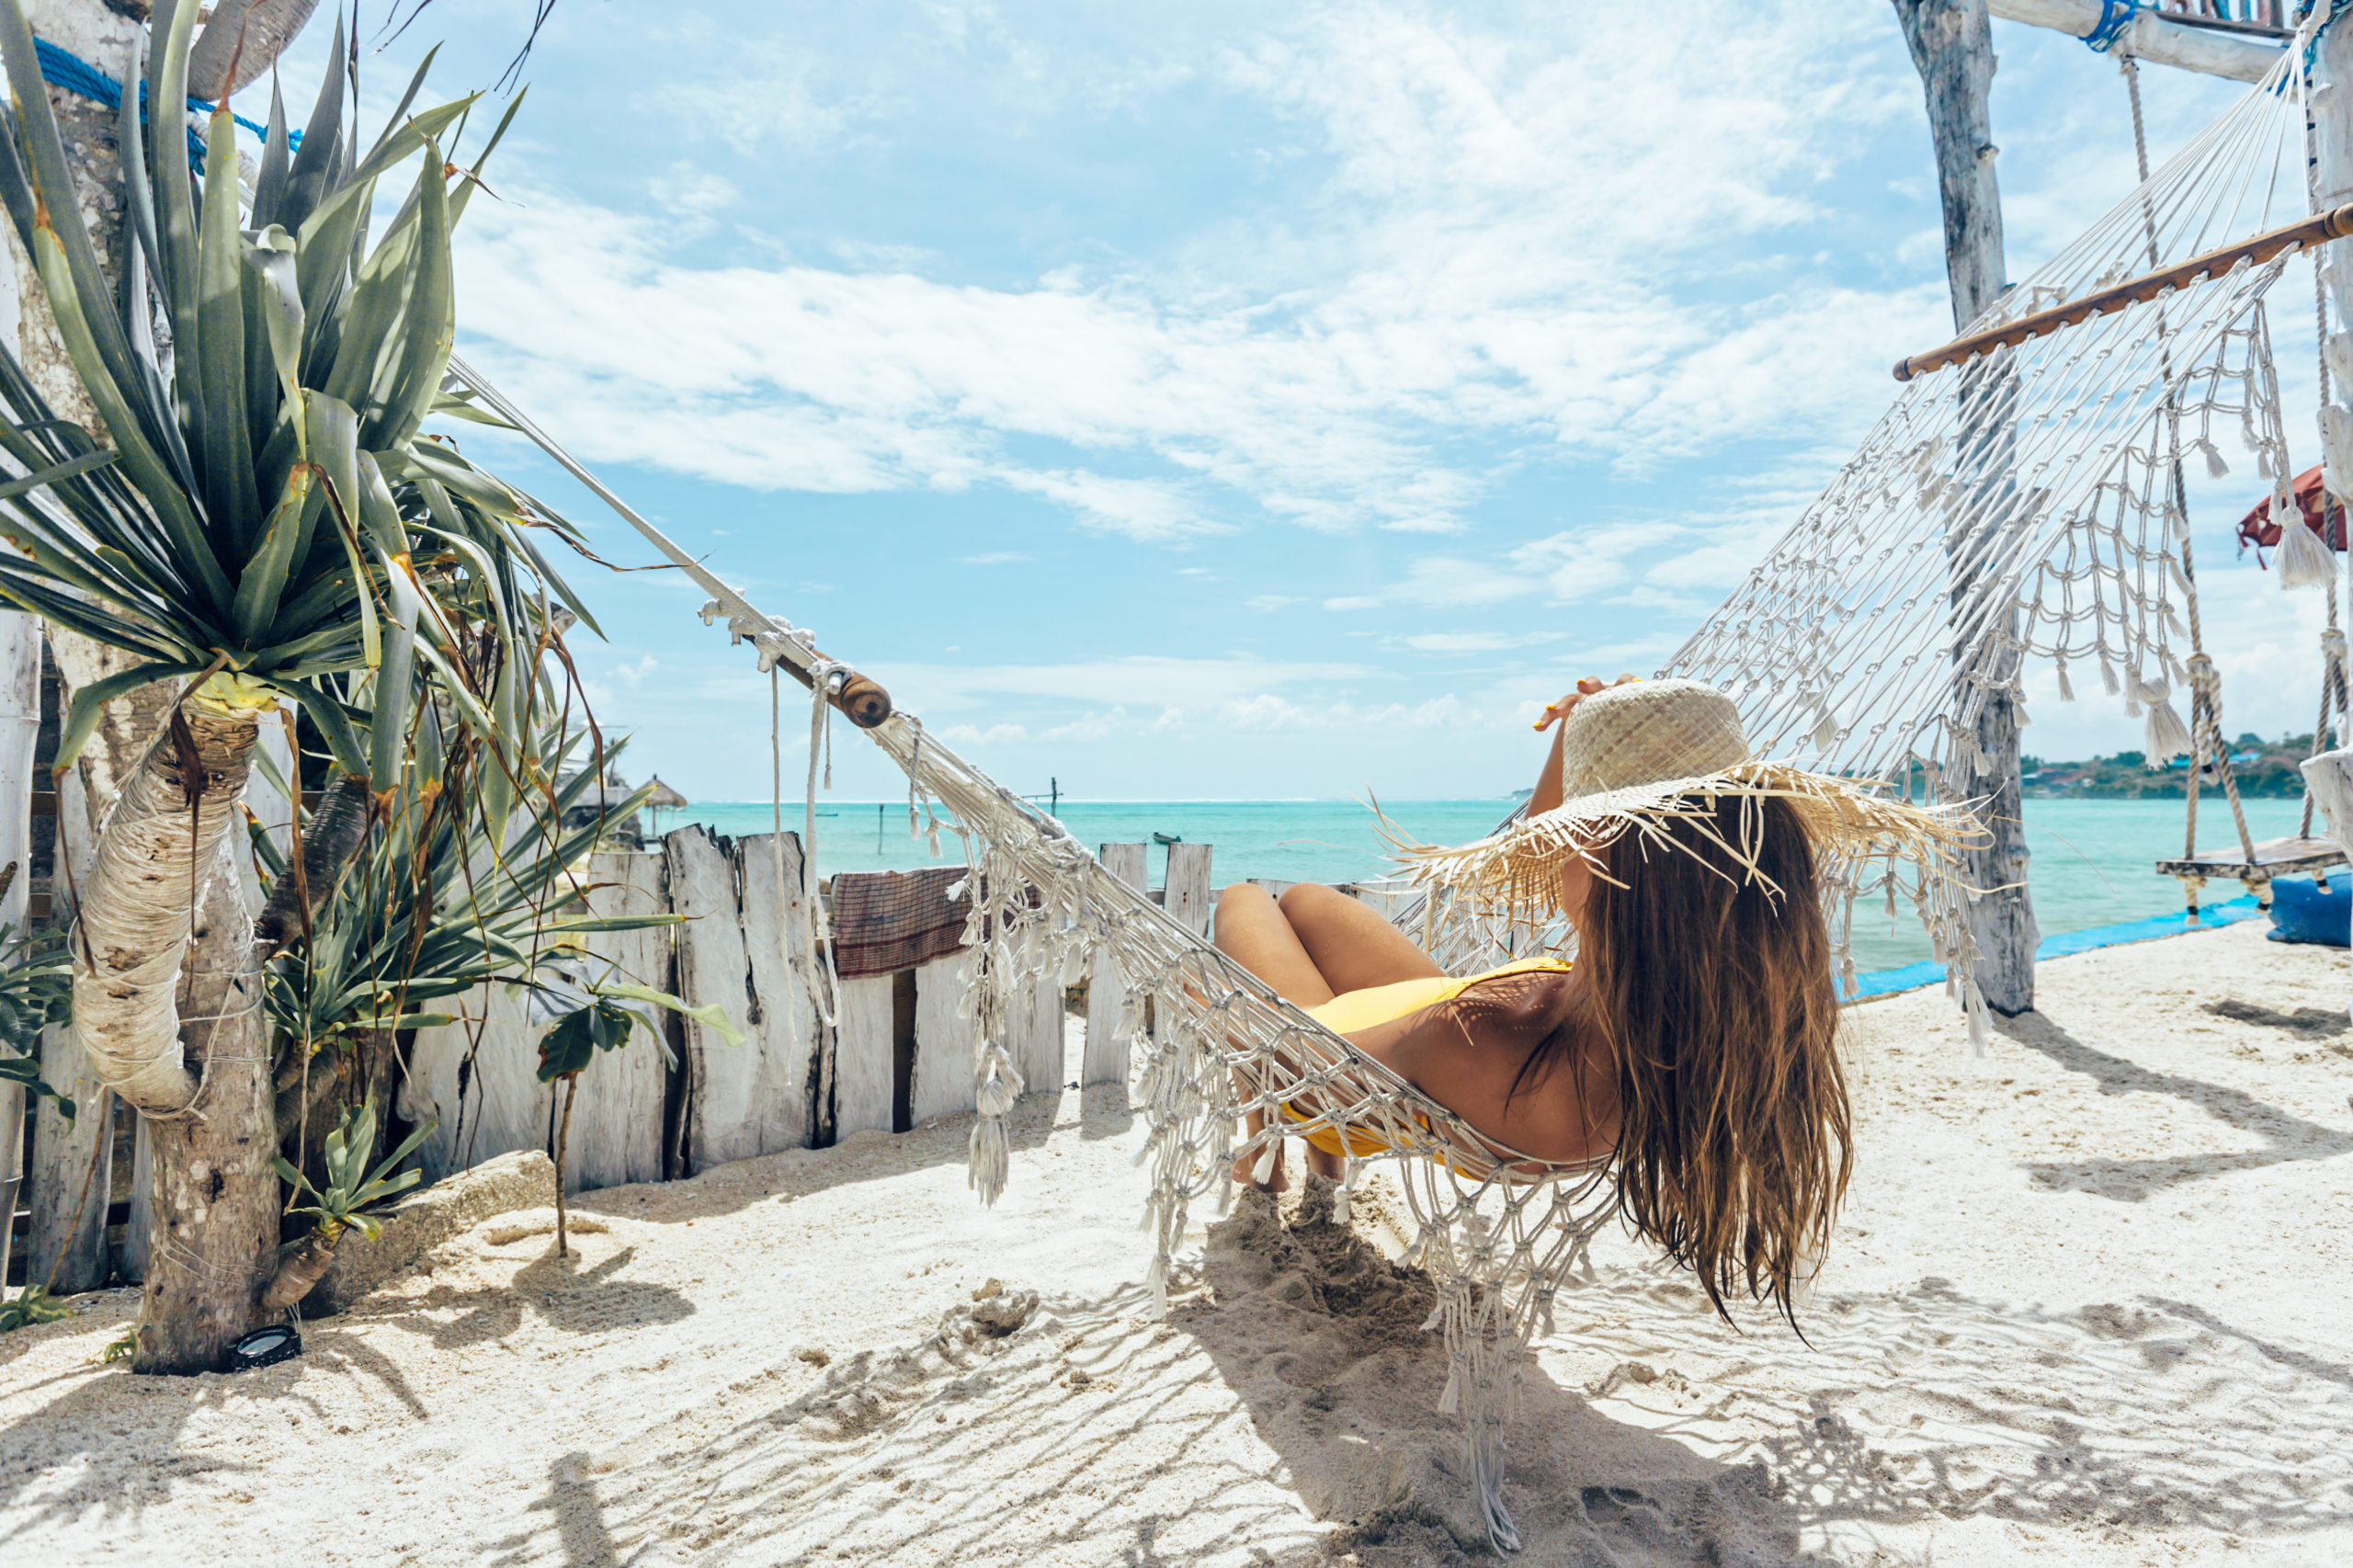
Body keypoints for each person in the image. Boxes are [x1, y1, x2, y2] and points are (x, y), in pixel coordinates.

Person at [1212, 675, 1973, 1321]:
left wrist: (1217, 1011)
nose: (1557, 846)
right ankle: (1319, 1169)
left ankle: (1293, 1159)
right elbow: (1548, 843)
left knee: (1246, 898)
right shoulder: (1687, 996)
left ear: (1610, 863)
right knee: (1311, 899)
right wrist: (1576, 740)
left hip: (1343, 1056)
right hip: (1433, 1023)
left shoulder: (1490, 1033)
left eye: (1582, 832)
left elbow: (1309, 1062)